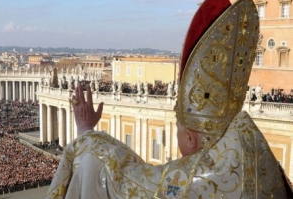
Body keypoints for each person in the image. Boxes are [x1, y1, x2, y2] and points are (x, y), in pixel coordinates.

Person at [46, 0, 293, 198]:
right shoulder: (259, 162)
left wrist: (86, 130)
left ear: (189, 138)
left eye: (179, 129)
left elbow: (117, 179)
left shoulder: (188, 184)